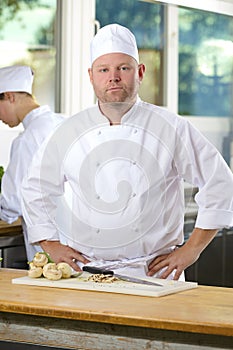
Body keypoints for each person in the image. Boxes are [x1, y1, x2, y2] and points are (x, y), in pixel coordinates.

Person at [21, 24, 233, 280]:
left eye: (123, 68)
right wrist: (50, 244)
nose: (113, 77)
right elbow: (35, 188)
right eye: (104, 70)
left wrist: (191, 250)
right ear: (91, 76)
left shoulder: (171, 127)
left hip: (154, 274)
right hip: (86, 274)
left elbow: (220, 182)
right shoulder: (69, 131)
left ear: (140, 72)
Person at [0, 65, 65, 262]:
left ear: (10, 97)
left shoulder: (27, 139)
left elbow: (12, 204)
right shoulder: (62, 122)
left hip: (48, 246)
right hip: (76, 239)